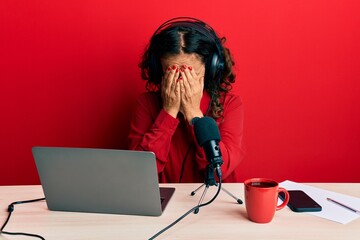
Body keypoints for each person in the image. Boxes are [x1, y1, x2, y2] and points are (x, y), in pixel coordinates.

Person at [128, 17, 245, 183]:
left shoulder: (230, 104)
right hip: (164, 203)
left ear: (211, 68)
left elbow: (221, 169)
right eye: (173, 74)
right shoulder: (146, 104)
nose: (181, 82)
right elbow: (138, 171)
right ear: (159, 71)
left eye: (191, 74)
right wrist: (168, 112)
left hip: (214, 202)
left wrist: (193, 113)